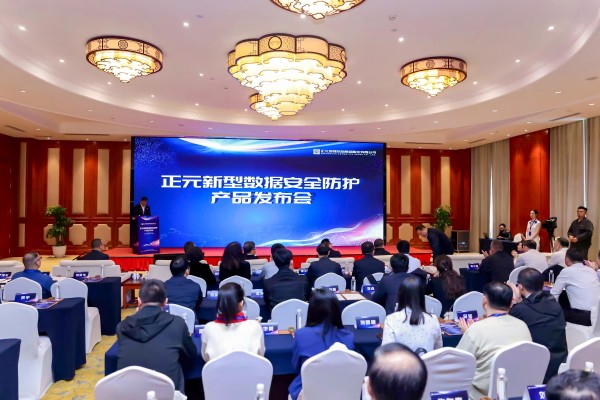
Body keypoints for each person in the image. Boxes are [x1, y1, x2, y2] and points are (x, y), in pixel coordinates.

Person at [116, 279, 196, 393]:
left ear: (139, 301)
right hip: (167, 393)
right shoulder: (177, 323)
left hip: (130, 393)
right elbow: (191, 354)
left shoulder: (122, 326)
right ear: (165, 302)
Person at [456, 282, 532, 400]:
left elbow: (458, 365)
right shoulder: (523, 326)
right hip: (518, 394)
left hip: (481, 396)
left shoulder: (476, 330)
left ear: (484, 301)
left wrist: (468, 333)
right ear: (511, 303)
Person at [288, 288, 354, 400]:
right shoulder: (348, 336)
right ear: (337, 311)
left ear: (311, 311)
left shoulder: (301, 335)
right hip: (341, 393)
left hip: (309, 393)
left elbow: (296, 367)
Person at [507, 268, 567, 383]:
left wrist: (515, 301)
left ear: (520, 287)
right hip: (558, 363)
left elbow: (506, 323)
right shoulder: (554, 303)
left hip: (536, 368)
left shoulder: (519, 310)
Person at [201, 282, 265, 361]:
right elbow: (261, 355)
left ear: (220, 304)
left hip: (218, 369)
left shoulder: (209, 328)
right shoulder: (255, 326)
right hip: (250, 369)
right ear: (241, 303)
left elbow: (206, 358)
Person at [382, 276, 443, 353]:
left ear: (400, 295)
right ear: (422, 297)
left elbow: (387, 353)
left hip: (401, 361)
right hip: (428, 360)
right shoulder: (433, 319)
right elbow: (438, 349)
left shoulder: (391, 320)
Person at [550, 248, 600, 326]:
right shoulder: (591, 270)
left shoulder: (566, 271)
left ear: (567, 259)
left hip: (583, 317)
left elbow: (554, 294)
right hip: (597, 315)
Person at [163, 255, 203, 320]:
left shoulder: (162, 287)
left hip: (168, 323)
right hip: (189, 323)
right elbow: (198, 303)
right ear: (187, 271)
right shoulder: (195, 286)